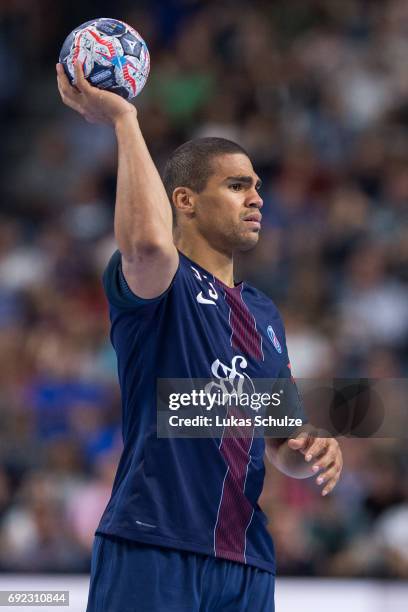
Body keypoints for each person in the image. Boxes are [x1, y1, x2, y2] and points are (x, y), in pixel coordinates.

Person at [56, 62, 343, 612]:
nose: (257, 197)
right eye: (237, 185)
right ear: (184, 201)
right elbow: (148, 247)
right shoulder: (161, 283)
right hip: (151, 543)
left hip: (246, 562)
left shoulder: (265, 313)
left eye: (257, 186)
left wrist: (311, 448)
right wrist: (124, 120)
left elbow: (281, 440)